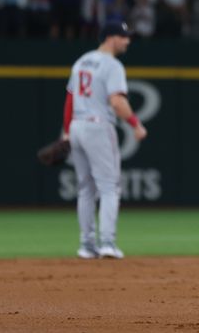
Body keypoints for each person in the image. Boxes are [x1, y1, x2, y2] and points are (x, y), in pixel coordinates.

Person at [62, 21, 148, 259]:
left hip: (77, 126)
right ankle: (108, 243)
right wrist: (135, 125)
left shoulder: (81, 61)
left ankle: (87, 245)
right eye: (123, 36)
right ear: (110, 38)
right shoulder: (112, 65)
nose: (127, 41)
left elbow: (70, 98)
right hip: (98, 126)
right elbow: (117, 102)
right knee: (110, 187)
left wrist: (67, 131)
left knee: (85, 189)